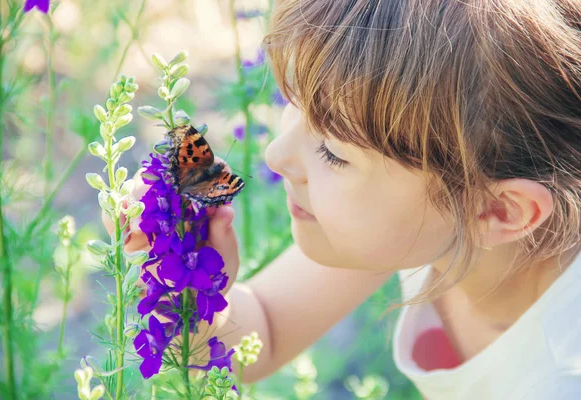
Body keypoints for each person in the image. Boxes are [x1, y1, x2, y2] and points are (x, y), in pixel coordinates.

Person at [107, 0, 581, 398]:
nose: (275, 156)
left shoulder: (561, 374)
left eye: (333, 152)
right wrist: (199, 293)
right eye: (294, 103)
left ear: (498, 210)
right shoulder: (425, 225)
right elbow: (264, 333)